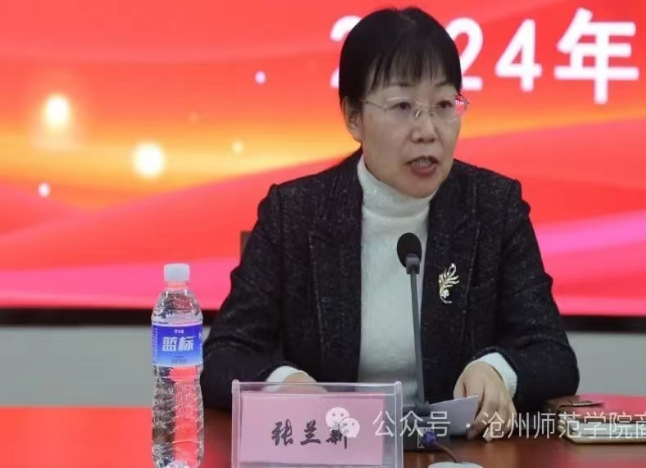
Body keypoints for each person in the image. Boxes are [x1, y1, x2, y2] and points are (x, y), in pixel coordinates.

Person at [201, 6, 579, 441]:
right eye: (402, 106)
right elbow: (223, 356)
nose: (427, 130)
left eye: (443, 105)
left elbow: (553, 355)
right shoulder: (295, 214)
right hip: (330, 453)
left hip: (455, 455)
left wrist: (498, 371)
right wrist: (284, 383)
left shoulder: (493, 208)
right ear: (353, 117)